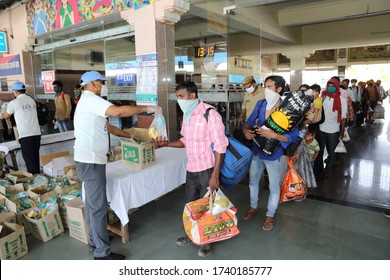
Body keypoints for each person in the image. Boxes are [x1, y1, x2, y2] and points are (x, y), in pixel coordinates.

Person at [74, 71, 161, 260]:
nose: (103, 85)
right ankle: (101, 253)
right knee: (97, 206)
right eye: (100, 82)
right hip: (90, 160)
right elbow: (118, 112)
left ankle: (96, 239)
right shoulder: (90, 99)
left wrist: (129, 135)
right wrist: (147, 107)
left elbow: (109, 127)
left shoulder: (89, 102)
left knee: (93, 204)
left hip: (91, 159)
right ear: (91, 84)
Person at [156, 81, 228, 257]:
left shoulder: (210, 114)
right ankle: (191, 234)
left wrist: (215, 175)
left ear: (192, 95)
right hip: (192, 168)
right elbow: (184, 141)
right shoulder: (187, 115)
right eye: (177, 96)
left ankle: (208, 241)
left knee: (208, 206)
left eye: (181, 96)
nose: (179, 100)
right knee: (191, 205)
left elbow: (220, 145)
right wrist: (166, 144)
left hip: (207, 169)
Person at [242, 75, 298, 230]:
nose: (266, 89)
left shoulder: (287, 110)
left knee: (274, 186)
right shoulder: (261, 104)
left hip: (274, 155)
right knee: (253, 181)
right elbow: (249, 122)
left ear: (279, 89)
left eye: (269, 86)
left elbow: (292, 137)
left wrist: (275, 136)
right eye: (265, 86)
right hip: (257, 150)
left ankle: (270, 215)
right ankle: (253, 206)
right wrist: (246, 131)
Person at [2, 82, 41, 174]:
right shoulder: (31, 100)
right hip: (36, 134)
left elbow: (6, 116)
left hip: (25, 135)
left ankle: (34, 182)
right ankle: (38, 179)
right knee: (35, 158)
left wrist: (2, 113)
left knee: (29, 160)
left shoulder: (14, 102)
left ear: (15, 92)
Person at [318, 78, 348, 177]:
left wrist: (342, 131)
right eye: (329, 86)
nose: (330, 88)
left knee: (332, 151)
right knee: (320, 150)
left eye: (333, 86)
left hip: (333, 128)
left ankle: (329, 168)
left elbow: (344, 117)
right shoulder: (324, 96)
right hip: (321, 127)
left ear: (336, 86)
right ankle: (320, 168)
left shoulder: (342, 100)